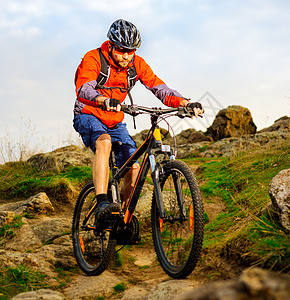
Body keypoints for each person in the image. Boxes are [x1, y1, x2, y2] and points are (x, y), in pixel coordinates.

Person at [73, 19, 203, 226]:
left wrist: (185, 102)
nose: (126, 55)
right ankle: (102, 203)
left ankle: (121, 218)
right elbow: (83, 88)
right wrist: (103, 100)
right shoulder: (93, 58)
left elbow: (159, 88)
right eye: (121, 50)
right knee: (104, 142)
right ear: (111, 44)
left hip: (115, 120)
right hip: (89, 113)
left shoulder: (137, 64)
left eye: (131, 51)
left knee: (132, 167)